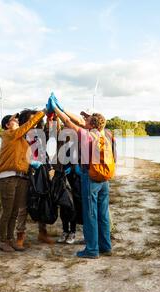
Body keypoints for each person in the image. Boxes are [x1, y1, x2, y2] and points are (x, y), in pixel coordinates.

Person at [50, 96, 115, 259]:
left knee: (90, 214)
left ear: (92, 124)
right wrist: (63, 109)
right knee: (103, 214)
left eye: (87, 121)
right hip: (104, 178)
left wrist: (57, 109)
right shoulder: (105, 135)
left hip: (91, 177)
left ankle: (92, 249)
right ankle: (105, 246)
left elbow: (68, 122)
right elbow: (76, 119)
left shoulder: (88, 135)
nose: (84, 122)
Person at [0, 108, 46, 253]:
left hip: (20, 177)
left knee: (14, 212)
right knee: (7, 212)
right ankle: (2, 241)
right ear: (7, 125)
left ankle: (10, 239)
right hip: (7, 178)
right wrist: (41, 112)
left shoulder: (20, 139)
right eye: (14, 120)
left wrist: (32, 163)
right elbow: (27, 126)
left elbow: (27, 155)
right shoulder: (9, 134)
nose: (17, 121)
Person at [15, 109, 55, 248]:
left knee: (42, 200)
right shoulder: (20, 136)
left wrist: (50, 117)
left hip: (41, 172)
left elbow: (51, 131)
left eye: (37, 120)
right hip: (25, 172)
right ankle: (20, 236)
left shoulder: (40, 134)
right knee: (23, 206)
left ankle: (42, 233)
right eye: (32, 120)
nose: (35, 123)